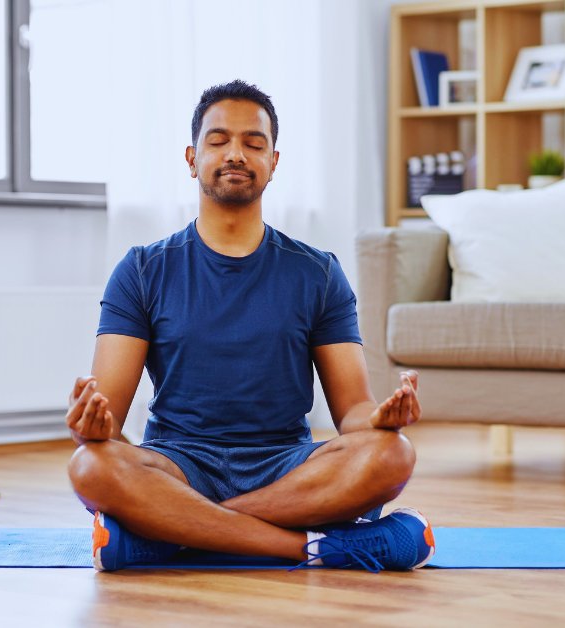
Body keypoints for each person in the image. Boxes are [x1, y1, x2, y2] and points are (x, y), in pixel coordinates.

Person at [66, 80, 434, 572]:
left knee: (393, 455)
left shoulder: (318, 272)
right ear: (192, 158)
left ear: (273, 163)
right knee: (91, 464)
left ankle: (170, 535)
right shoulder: (142, 270)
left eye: (253, 143)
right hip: (178, 464)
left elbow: (353, 411)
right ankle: (322, 546)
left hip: (285, 466)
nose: (236, 154)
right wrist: (91, 422)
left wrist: (381, 421)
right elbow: (107, 420)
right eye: (218, 141)